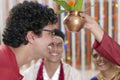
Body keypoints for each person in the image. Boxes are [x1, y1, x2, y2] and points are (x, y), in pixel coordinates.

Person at [0, 1, 57, 80]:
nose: (55, 40)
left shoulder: (6, 61)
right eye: (51, 33)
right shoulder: (5, 71)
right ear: (31, 37)